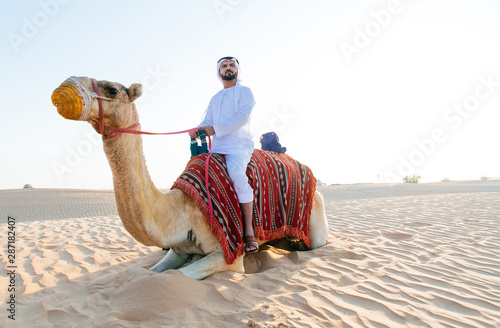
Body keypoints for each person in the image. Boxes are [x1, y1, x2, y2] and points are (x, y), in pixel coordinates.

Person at [189, 56, 258, 254]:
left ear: (237, 70)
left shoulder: (245, 92)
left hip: (238, 145)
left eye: (232, 65)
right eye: (224, 66)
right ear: (219, 73)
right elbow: (206, 121)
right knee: (195, 173)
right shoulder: (215, 98)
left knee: (236, 175)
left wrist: (215, 129)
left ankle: (249, 232)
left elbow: (242, 118)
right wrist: (197, 129)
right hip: (217, 146)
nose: (228, 68)